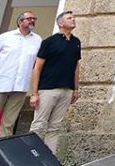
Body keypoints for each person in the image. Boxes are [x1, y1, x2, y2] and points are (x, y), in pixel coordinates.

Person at [0, 11, 42, 149]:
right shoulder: (4, 38)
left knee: (8, 124)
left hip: (19, 87)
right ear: (20, 22)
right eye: (29, 18)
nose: (32, 21)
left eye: (33, 19)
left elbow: (36, 63)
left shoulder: (37, 40)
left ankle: (2, 154)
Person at [29, 11, 81, 153]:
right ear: (60, 23)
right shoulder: (49, 42)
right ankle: (32, 157)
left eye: (73, 18)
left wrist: (75, 89)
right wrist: (34, 93)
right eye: (70, 18)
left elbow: (76, 66)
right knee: (39, 125)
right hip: (48, 89)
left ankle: (50, 157)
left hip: (67, 90)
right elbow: (37, 68)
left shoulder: (76, 42)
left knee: (55, 127)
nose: (73, 19)